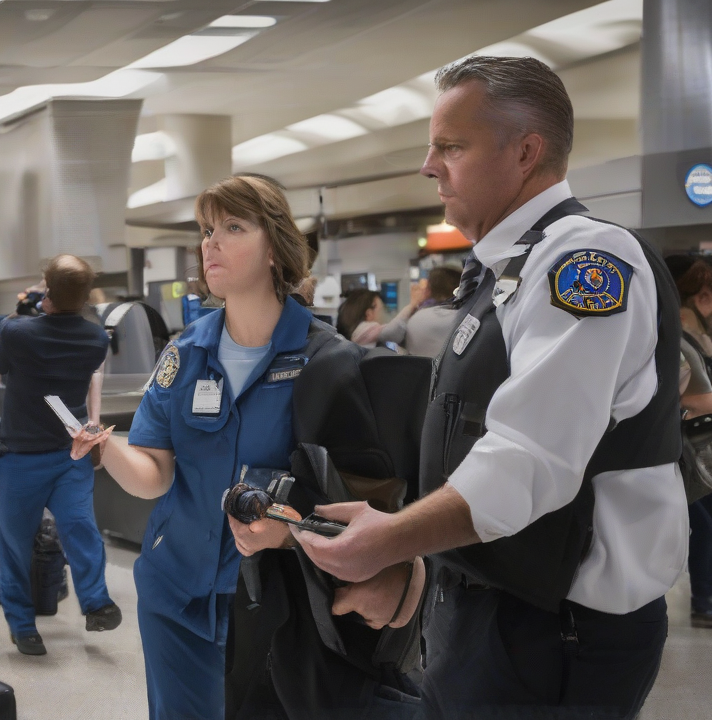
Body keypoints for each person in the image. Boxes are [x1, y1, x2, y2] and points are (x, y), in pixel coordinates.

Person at [291, 56, 686, 720]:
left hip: (554, 634)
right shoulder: (504, 271)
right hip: (493, 613)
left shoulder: (585, 262)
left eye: (451, 146)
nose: (429, 165)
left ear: (526, 151)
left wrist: (390, 540)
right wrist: (411, 560)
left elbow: (529, 461)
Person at [72, 175, 415, 718]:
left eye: (233, 227)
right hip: (174, 589)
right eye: (207, 230)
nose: (211, 243)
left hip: (274, 602)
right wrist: (104, 448)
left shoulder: (329, 363)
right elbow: (155, 474)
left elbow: (357, 492)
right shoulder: (185, 355)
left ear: (276, 247)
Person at [0, 254, 121, 657]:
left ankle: (23, 627)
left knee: (14, 543)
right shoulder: (97, 339)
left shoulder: (17, 332)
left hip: (20, 456)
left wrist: (21, 312)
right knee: (81, 528)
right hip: (69, 454)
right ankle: (96, 602)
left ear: (47, 289)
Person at [665, 255, 712, 629]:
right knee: (703, 526)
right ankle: (704, 600)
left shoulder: (695, 336)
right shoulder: (676, 337)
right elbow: (695, 398)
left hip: (695, 448)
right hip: (683, 451)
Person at [375, 266, 463, 357]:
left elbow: (387, 335)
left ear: (428, 290)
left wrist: (412, 304)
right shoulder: (464, 317)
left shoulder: (415, 318)